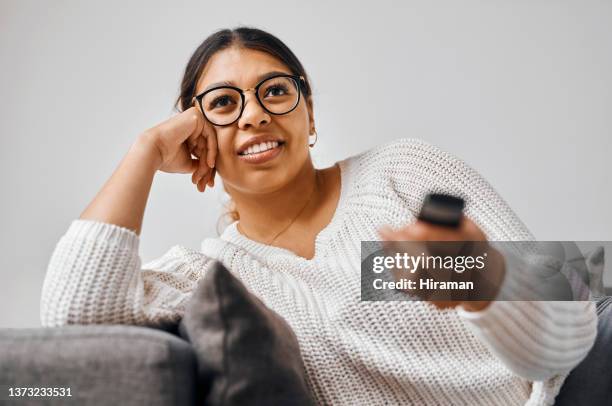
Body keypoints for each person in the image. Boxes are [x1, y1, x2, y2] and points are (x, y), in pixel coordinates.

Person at [40, 27, 597, 405]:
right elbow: (72, 317)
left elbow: (571, 323)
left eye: (275, 91)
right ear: (196, 135)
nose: (254, 115)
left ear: (309, 115)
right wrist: (143, 151)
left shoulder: (400, 173)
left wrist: (485, 283)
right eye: (224, 104)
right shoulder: (215, 280)